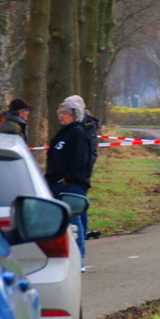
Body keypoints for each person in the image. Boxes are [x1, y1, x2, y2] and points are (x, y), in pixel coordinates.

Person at [45, 100, 92, 271]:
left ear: (74, 114)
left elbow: (81, 159)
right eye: (60, 113)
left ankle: (78, 260)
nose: (61, 116)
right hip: (55, 184)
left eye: (65, 113)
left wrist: (70, 179)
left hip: (69, 186)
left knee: (74, 222)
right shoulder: (63, 133)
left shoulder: (77, 133)